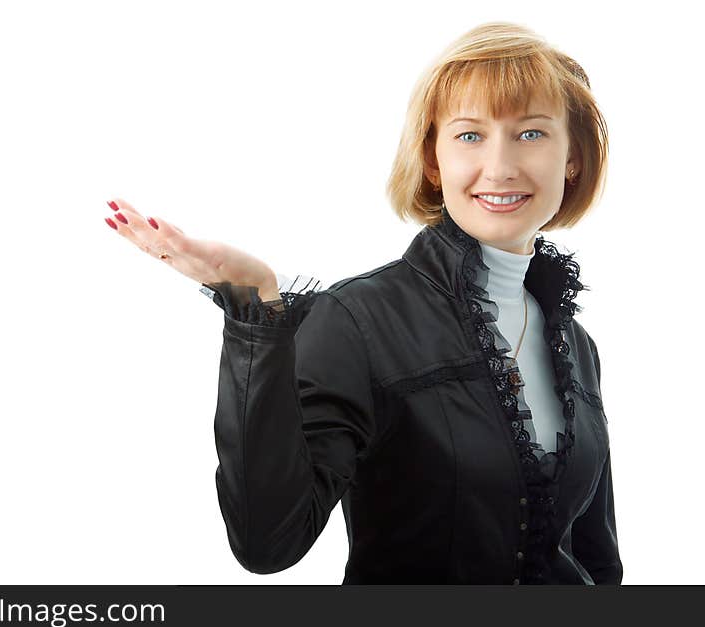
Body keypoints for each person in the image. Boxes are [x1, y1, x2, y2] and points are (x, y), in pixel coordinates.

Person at [103, 21, 622, 585]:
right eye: (470, 136)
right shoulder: (356, 321)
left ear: (572, 159)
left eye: (531, 134)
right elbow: (267, 542)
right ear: (432, 160)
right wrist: (259, 322)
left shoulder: (571, 341)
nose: (499, 167)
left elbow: (597, 557)